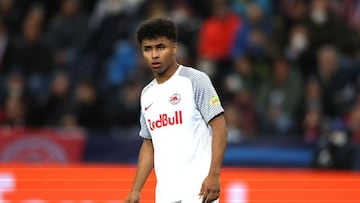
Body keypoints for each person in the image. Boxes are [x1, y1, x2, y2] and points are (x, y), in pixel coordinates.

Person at [125, 17, 228, 203]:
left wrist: (214, 174)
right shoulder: (147, 94)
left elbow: (220, 127)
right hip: (165, 196)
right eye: (148, 49)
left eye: (160, 47)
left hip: (199, 192)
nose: (154, 54)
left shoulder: (195, 80)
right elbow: (149, 145)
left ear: (174, 47)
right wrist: (135, 190)